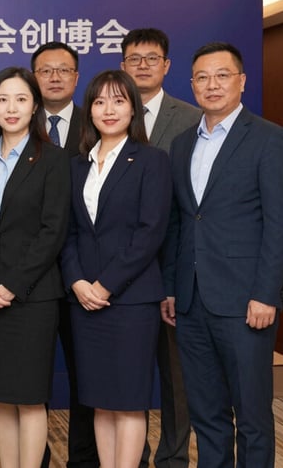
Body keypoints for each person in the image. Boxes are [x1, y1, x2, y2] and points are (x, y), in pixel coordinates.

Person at [162, 42, 283, 468]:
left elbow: (279, 223)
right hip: (192, 303)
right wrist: (172, 289)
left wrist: (268, 294)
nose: (211, 85)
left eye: (222, 75)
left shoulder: (270, 139)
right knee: (207, 415)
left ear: (242, 81)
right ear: (191, 83)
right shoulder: (181, 145)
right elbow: (181, 222)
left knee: (252, 415)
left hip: (245, 302)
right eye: (202, 77)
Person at [60, 70, 171, 468]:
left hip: (130, 301)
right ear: (88, 109)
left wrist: (105, 285)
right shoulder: (75, 166)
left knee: (127, 402)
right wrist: (76, 282)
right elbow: (68, 231)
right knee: (99, 401)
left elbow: (150, 232)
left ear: (134, 109)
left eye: (119, 101)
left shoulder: (151, 161)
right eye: (100, 101)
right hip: (84, 302)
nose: (109, 110)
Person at [0, 67, 70, 468]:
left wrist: (11, 284)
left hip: (32, 298)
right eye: (3, 99)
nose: (11, 108)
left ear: (35, 106)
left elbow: (52, 230)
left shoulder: (53, 159)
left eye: (21, 99)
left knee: (29, 397)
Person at [120, 28, 200, 468]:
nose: (143, 65)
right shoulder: (104, 115)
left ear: (167, 66)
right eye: (135, 58)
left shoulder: (190, 118)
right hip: (116, 272)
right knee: (125, 375)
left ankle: (172, 457)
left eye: (153, 58)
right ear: (122, 66)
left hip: (171, 267)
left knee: (175, 377)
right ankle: (130, 457)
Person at [31, 41, 95, 468]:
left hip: (82, 277)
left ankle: (84, 461)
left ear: (76, 77)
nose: (55, 77)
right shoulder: (9, 120)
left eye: (64, 70)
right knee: (23, 384)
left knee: (86, 380)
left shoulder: (98, 124)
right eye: (45, 70)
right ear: (33, 77)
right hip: (27, 280)